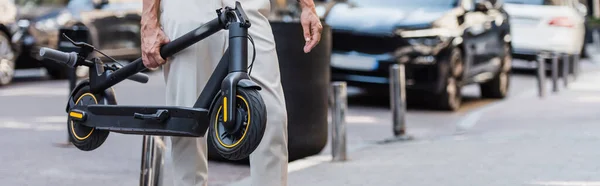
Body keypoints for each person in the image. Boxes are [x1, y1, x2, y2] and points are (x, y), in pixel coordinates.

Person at [140, 0, 323, 185]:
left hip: (247, 5)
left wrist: (308, 6)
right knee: (187, 120)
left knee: (271, 115)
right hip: (189, 6)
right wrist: (149, 22)